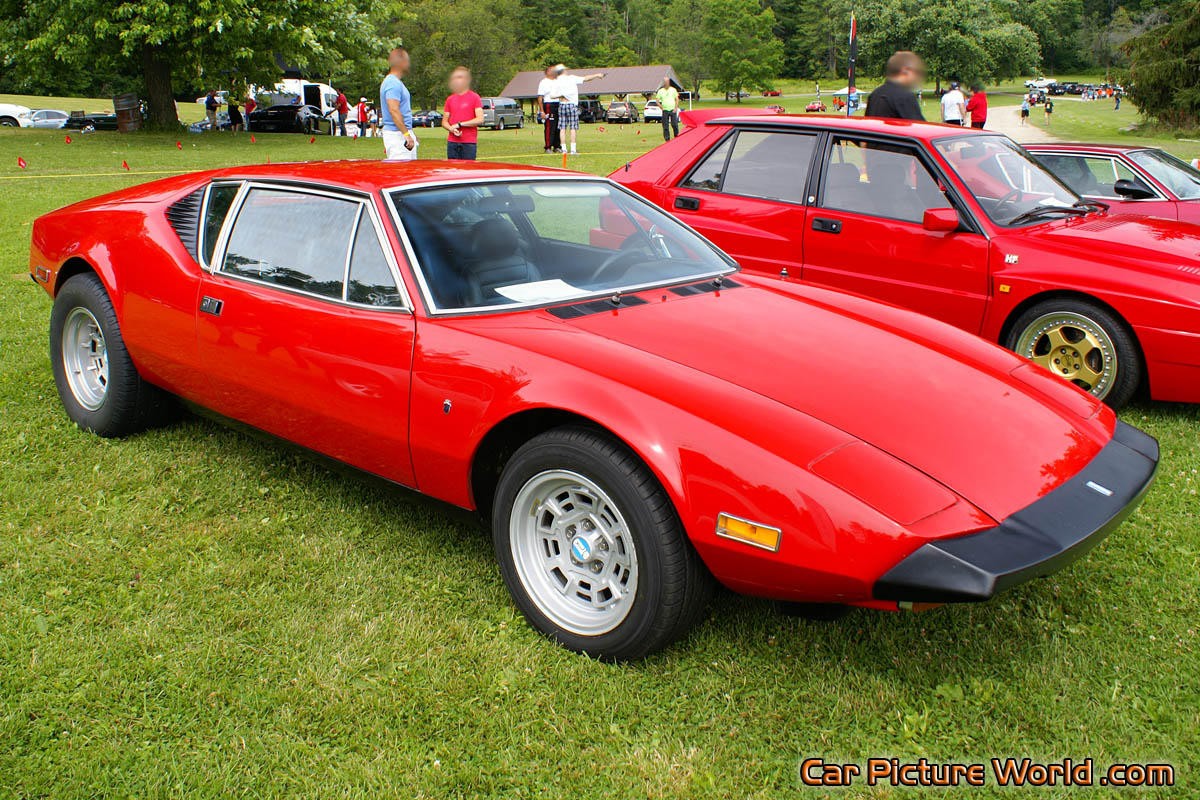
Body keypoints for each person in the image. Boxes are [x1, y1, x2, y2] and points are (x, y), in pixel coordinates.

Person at [552, 64, 606, 155]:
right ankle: (573, 150)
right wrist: (597, 75)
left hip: (562, 105)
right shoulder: (571, 78)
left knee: (562, 128)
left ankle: (564, 150)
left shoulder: (556, 81)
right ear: (563, 70)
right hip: (572, 105)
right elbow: (586, 78)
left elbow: (552, 95)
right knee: (573, 127)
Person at [864, 51, 925, 120]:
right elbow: (918, 127)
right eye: (916, 71)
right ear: (905, 70)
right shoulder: (904, 96)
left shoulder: (875, 94)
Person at [380, 47, 417, 160]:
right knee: (402, 173)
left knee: (411, 173)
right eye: (407, 61)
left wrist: (410, 134)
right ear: (401, 62)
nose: (408, 64)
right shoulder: (392, 83)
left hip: (401, 134)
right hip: (397, 136)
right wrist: (406, 134)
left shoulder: (396, 83)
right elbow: (393, 110)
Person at [442, 66, 484, 160]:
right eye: (455, 77)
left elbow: (480, 119)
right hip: (452, 142)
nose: (457, 80)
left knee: (468, 170)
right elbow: (444, 121)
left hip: (469, 143)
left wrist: (460, 124)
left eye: (460, 77)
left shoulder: (475, 97)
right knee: (453, 170)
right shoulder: (450, 99)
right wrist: (451, 129)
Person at [536, 65, 561, 153]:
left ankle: (557, 146)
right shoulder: (543, 82)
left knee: (558, 126)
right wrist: (542, 111)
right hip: (548, 105)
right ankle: (548, 147)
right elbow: (540, 97)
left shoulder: (557, 81)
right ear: (547, 72)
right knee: (550, 126)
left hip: (557, 104)